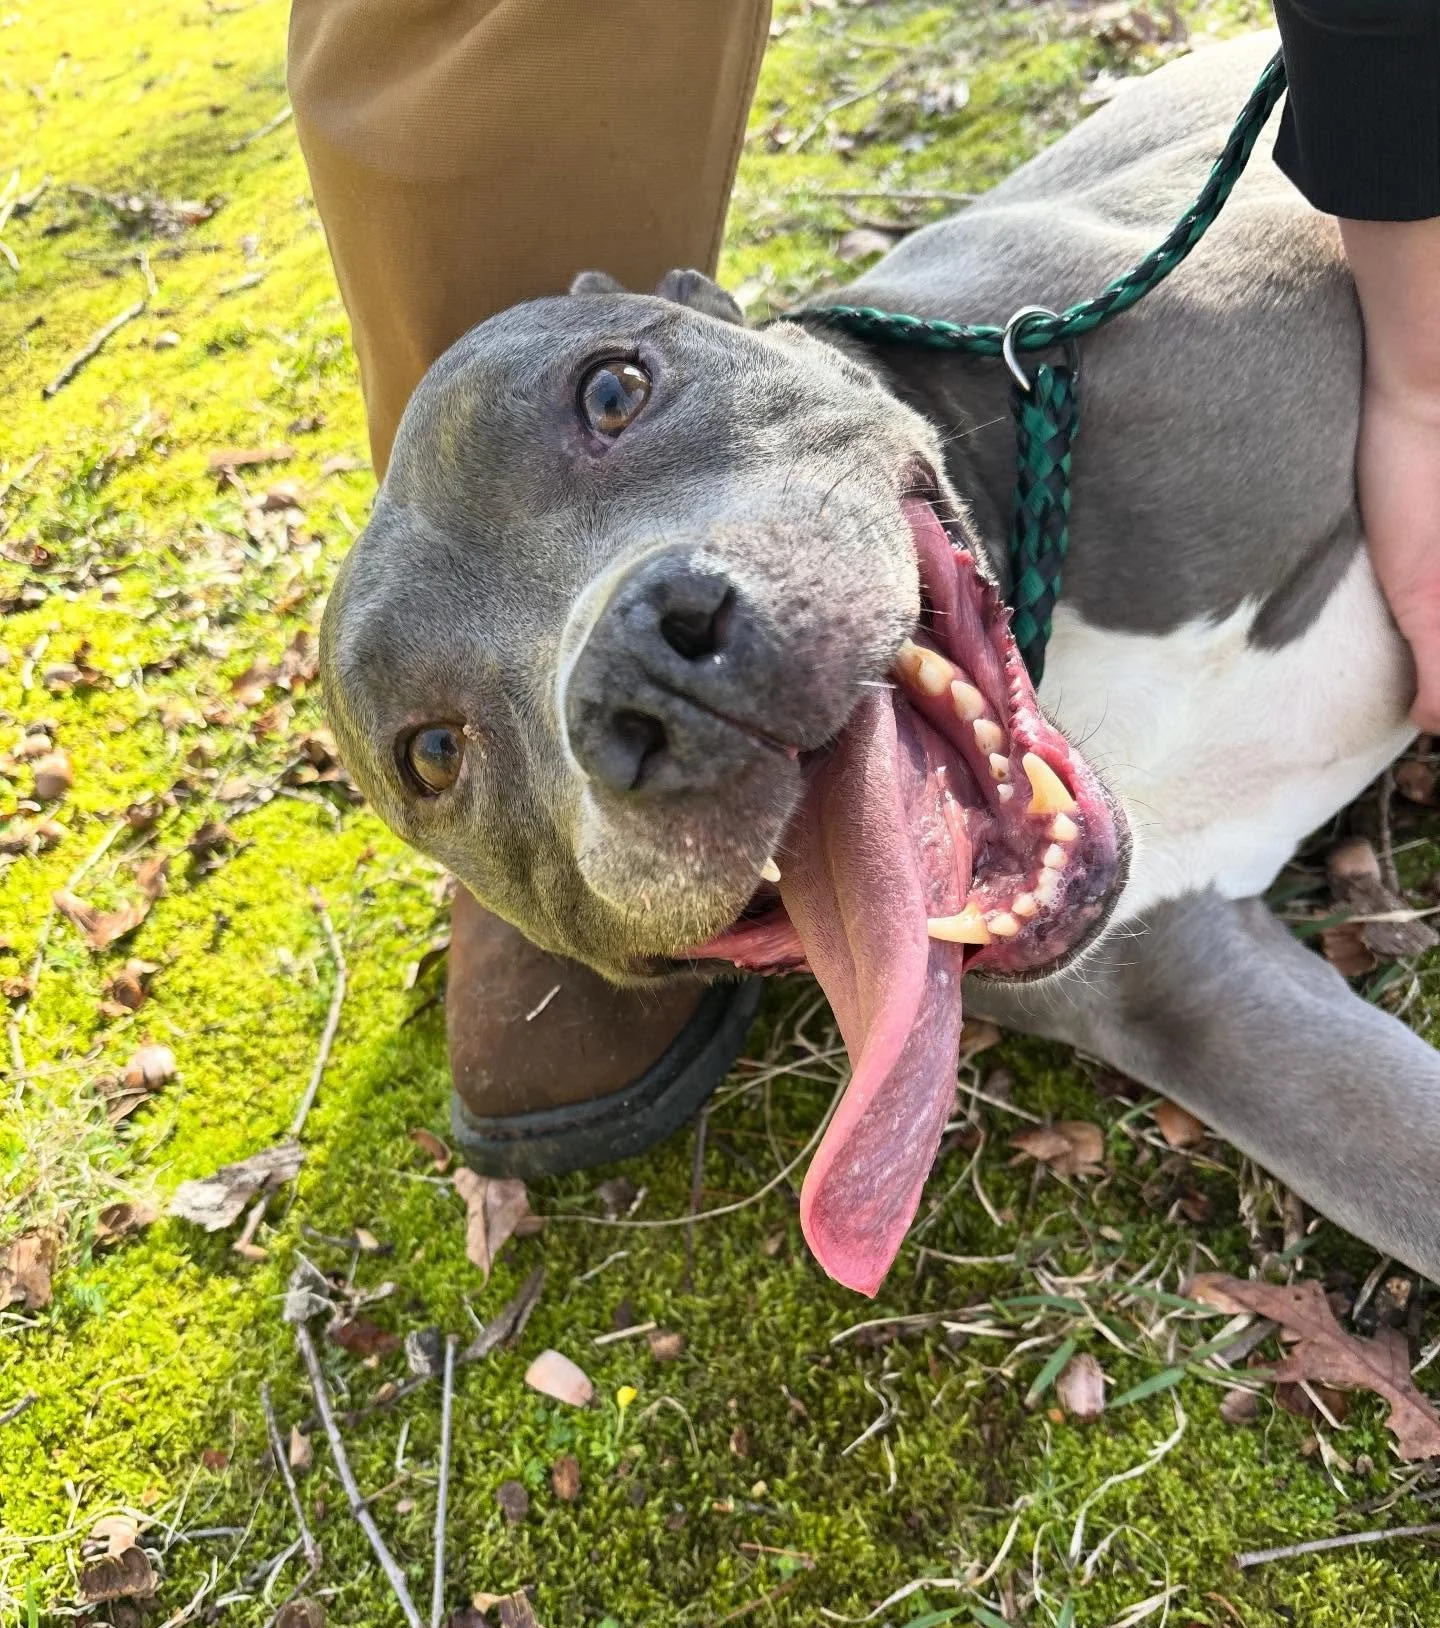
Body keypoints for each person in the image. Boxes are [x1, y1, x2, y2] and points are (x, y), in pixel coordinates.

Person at [286, 0, 1440, 1182]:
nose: (646, 665)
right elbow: (1207, 1020)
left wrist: (1425, 381)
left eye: (614, 398)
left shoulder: (1204, 338)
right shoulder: (928, 880)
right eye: (438, 754)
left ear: (710, 320)